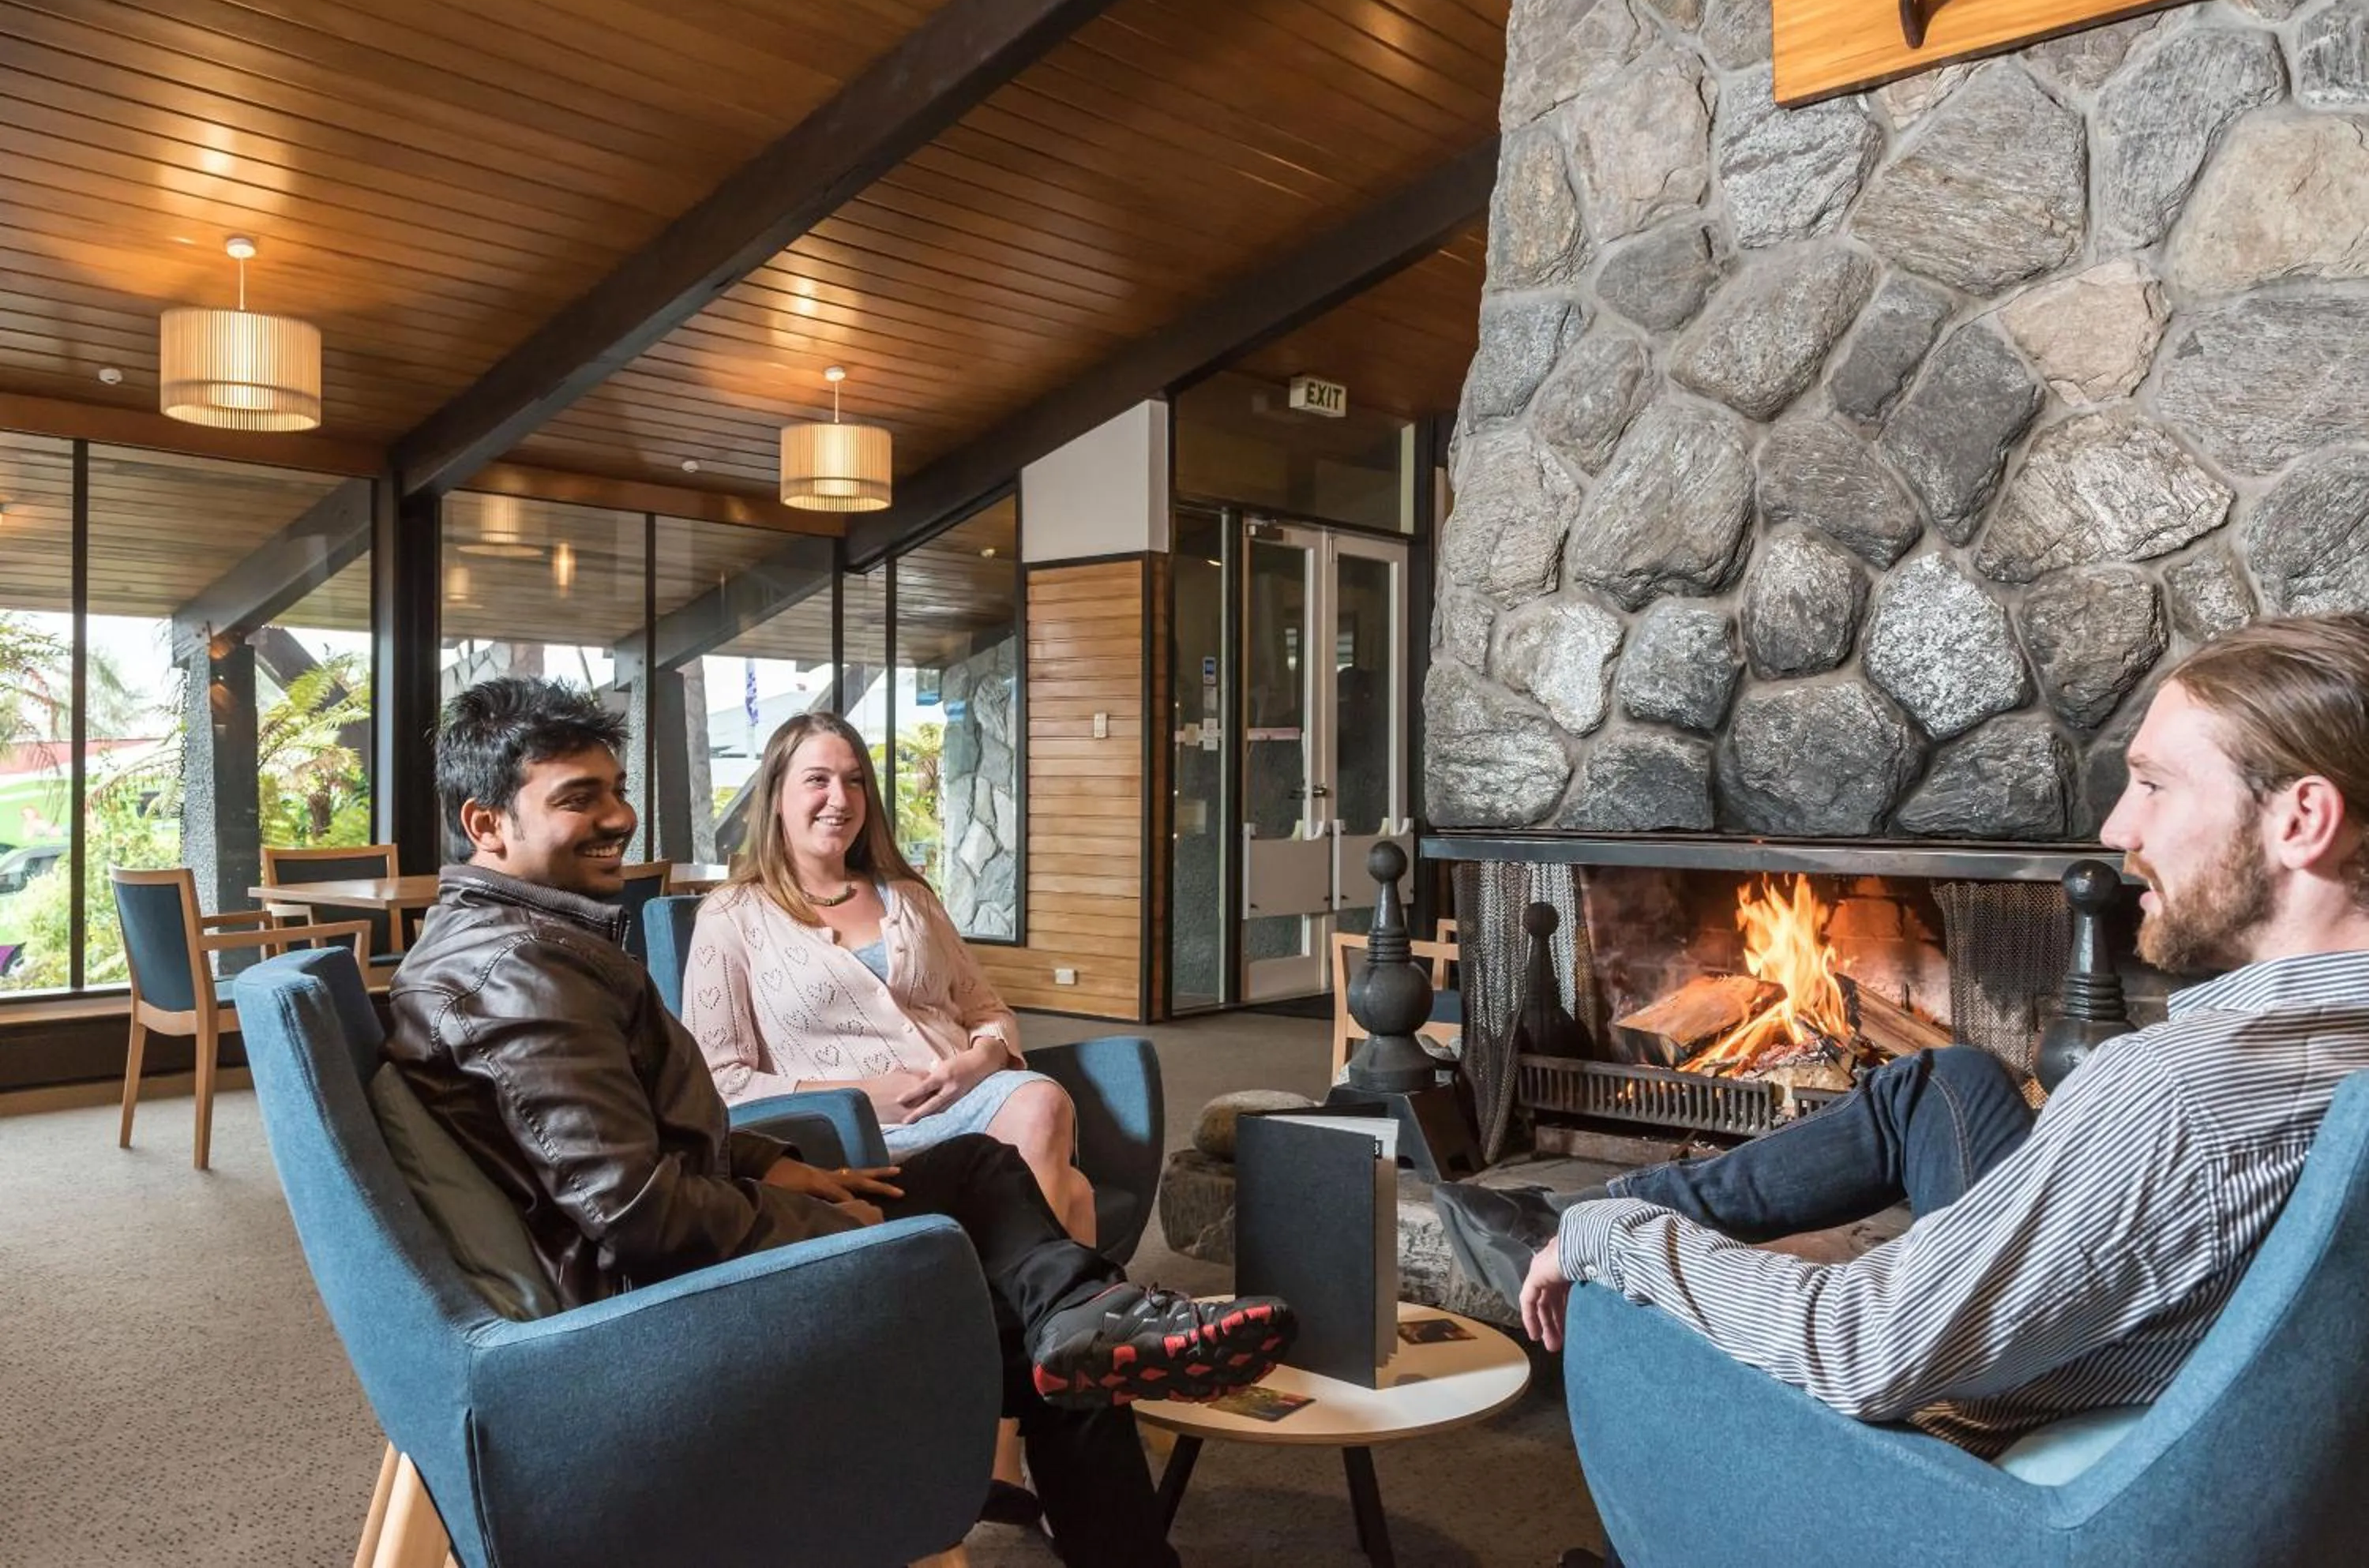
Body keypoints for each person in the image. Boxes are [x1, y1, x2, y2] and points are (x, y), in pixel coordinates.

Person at [383, 677, 1295, 1567]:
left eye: (617, 791)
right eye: (580, 799)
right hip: (661, 1316)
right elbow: (637, 1217)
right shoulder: (517, 980)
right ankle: (1093, 1369)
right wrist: (822, 1220)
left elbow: (633, 1134)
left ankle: (1087, 1310)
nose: (621, 818)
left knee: (980, 1169)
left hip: (708, 1227)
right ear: (487, 824)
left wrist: (771, 1162)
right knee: (1054, 1352)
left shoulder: (536, 946)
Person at [1436, 613, 2369, 1469]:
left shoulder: (2177, 1096)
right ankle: (1620, 1203)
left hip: (1947, 1449)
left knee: (1614, 1257)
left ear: (2302, 820)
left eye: (2155, 786)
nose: (2117, 828)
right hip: (2106, 1339)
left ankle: (1577, 1225)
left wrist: (1615, 1238)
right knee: (1944, 1080)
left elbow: (1859, 1348)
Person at [682, 712, 1094, 1244]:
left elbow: (988, 1011)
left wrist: (979, 1062)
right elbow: (718, 1080)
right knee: (1072, 1185)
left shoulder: (912, 898)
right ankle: (1055, 1310)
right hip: (855, 1133)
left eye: (855, 781)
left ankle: (1021, 1314)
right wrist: (858, 1097)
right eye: (818, 780)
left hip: (968, 1101)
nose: (840, 798)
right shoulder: (731, 915)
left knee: (1042, 1107)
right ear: (776, 796)